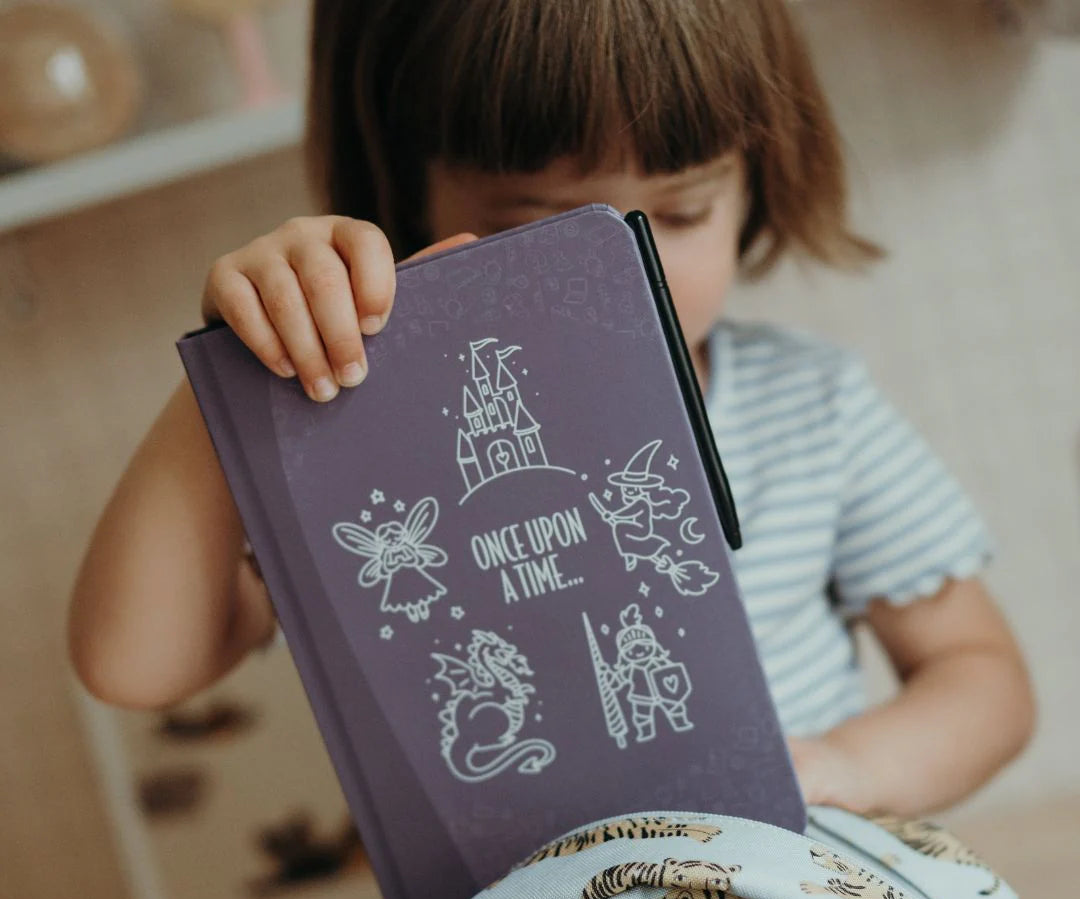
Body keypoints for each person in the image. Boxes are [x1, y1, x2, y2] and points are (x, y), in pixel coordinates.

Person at [67, 0, 1035, 820]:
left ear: (758, 182)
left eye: (683, 213)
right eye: (532, 234)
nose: (616, 283)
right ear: (405, 194)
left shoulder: (809, 406)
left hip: (806, 883)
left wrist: (840, 771)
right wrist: (241, 370)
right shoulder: (360, 435)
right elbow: (135, 667)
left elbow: (981, 679)